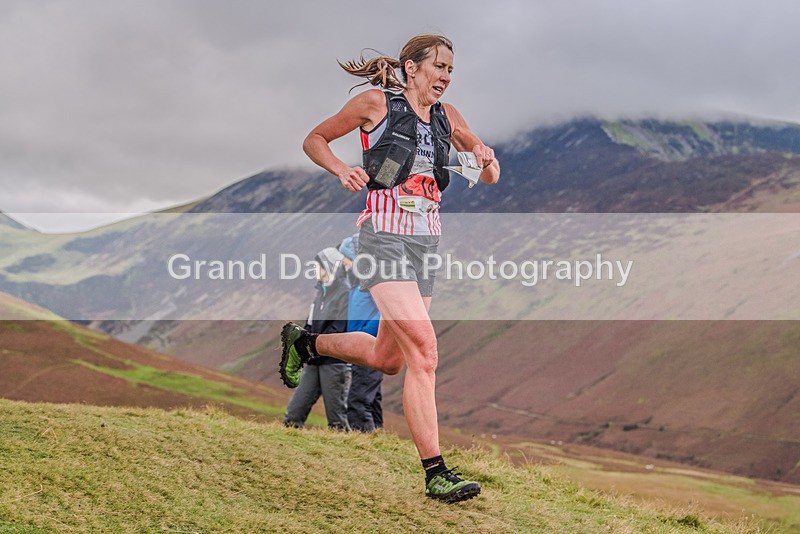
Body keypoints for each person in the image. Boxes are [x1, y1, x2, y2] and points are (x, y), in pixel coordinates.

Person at [279, 34, 500, 502]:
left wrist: (484, 155)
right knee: (425, 352)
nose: (445, 76)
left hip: (425, 244)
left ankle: (306, 342)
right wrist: (341, 169)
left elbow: (489, 174)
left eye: (451, 70)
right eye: (439, 66)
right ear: (411, 67)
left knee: (389, 359)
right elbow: (314, 139)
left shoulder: (448, 116)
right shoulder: (376, 104)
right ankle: (436, 472)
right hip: (382, 236)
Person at [282, 247, 352, 431]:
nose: (315, 269)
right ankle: (287, 444)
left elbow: (340, 328)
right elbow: (310, 323)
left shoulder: (344, 292)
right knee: (293, 415)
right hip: (314, 361)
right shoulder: (321, 291)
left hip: (334, 363)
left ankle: (347, 446)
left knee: (336, 421)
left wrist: (314, 344)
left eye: (318, 266)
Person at [339, 234, 384, 433]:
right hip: (361, 349)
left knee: (357, 402)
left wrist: (365, 334)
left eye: (346, 257)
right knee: (371, 400)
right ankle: (379, 441)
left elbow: (385, 313)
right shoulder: (357, 283)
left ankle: (364, 444)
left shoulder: (371, 283)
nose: (343, 262)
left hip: (368, 348)